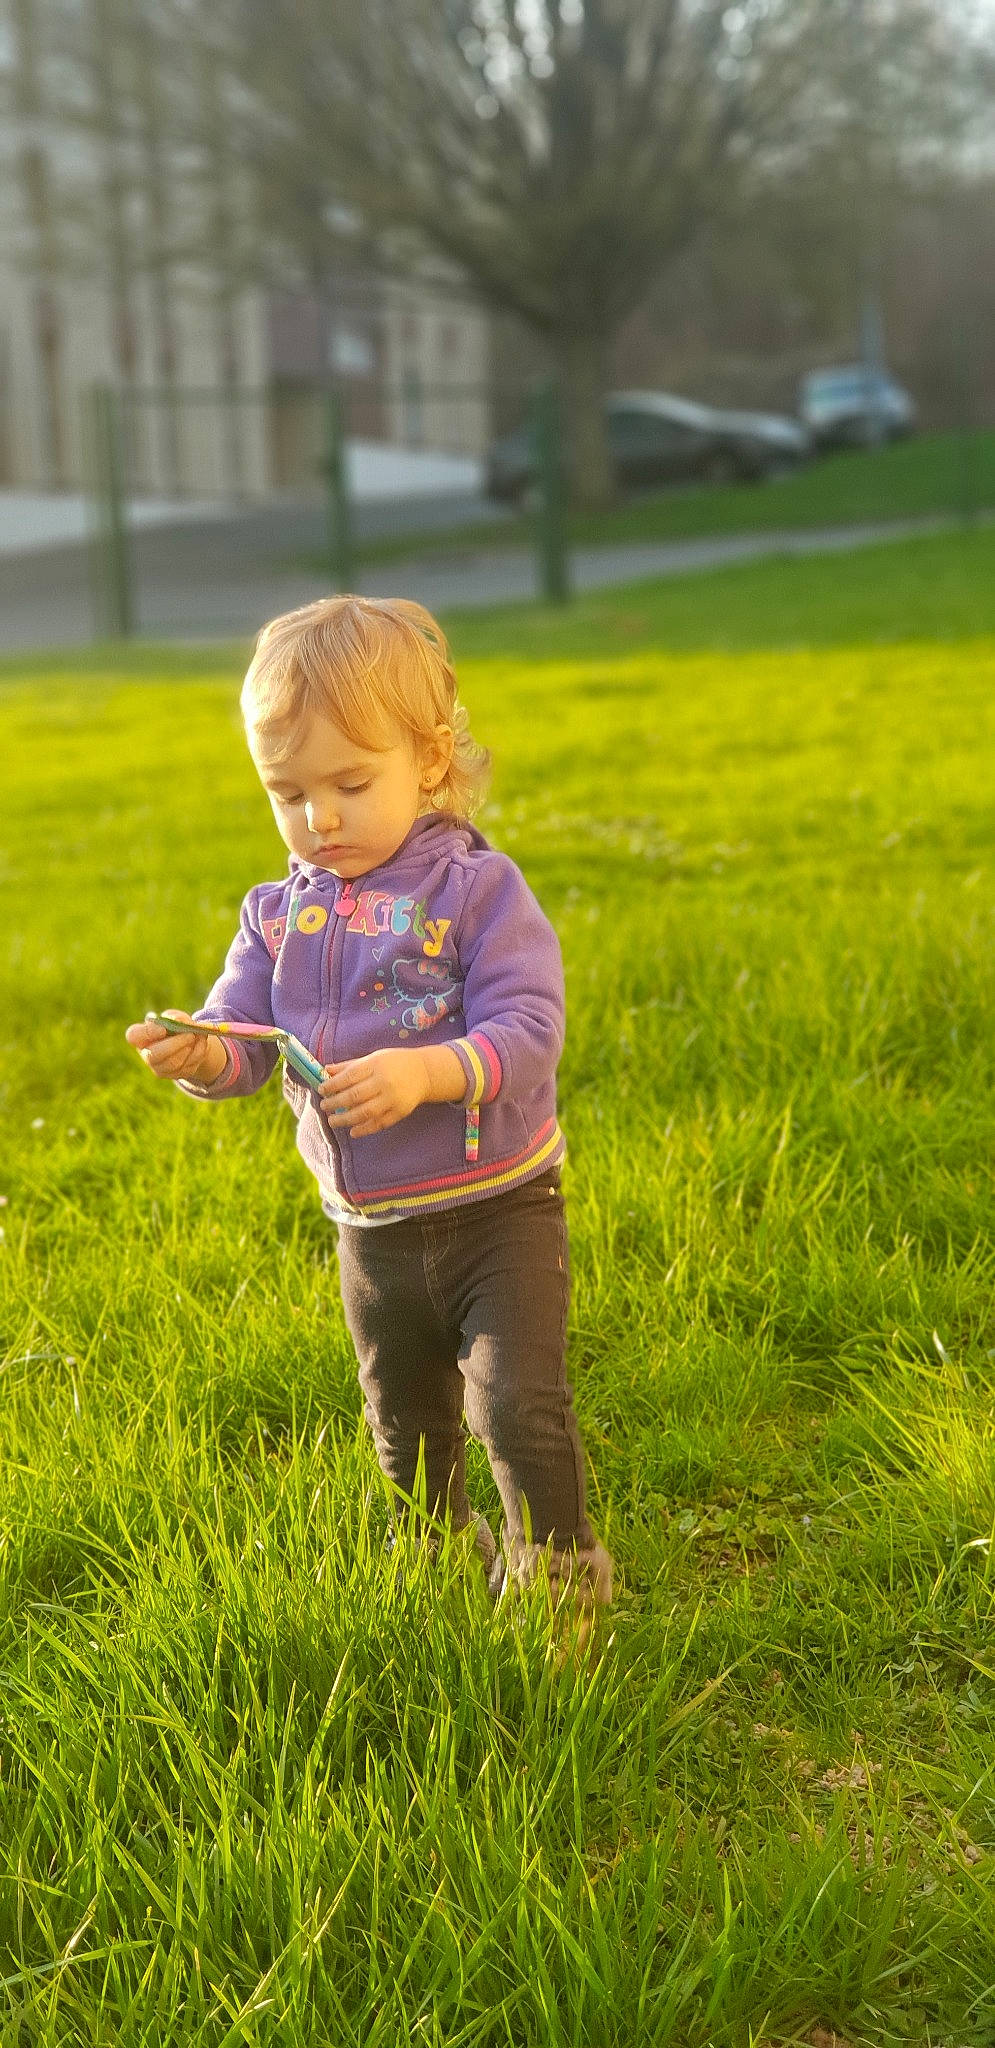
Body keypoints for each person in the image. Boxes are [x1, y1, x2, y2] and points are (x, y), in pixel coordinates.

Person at [125, 594, 612, 1640]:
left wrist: (427, 1073)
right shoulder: (278, 913)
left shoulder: (476, 892)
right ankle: (436, 1558)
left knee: (515, 1402)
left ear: (428, 761)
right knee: (404, 1416)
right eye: (288, 792)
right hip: (372, 1225)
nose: (321, 817)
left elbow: (528, 1027)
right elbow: (242, 1034)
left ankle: (559, 1580)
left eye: (351, 782)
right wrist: (201, 1051)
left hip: (499, 1206)